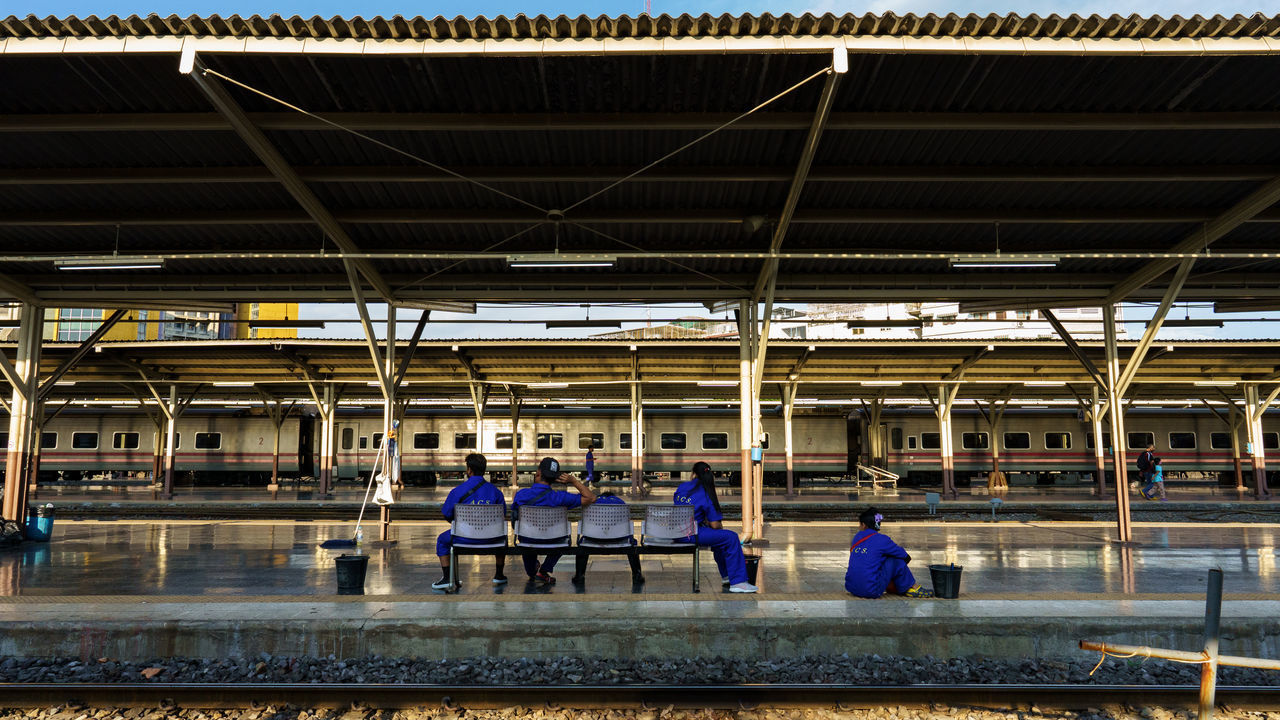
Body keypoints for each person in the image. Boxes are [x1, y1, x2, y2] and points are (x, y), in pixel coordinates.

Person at [673, 462, 757, 593]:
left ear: (693, 474)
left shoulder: (682, 487)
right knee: (731, 537)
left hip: (674, 532)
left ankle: (727, 577)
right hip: (691, 534)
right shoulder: (706, 492)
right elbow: (715, 525)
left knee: (719, 539)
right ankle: (738, 582)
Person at [513, 456, 597, 584]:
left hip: (528, 538)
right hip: (554, 539)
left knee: (526, 537)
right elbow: (591, 498)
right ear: (555, 478)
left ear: (538, 473)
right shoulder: (560, 497)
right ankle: (544, 570)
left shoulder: (521, 495)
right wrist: (574, 481)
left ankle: (532, 571)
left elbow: (515, 520)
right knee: (563, 539)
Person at [432, 453, 508, 590]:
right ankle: (499, 575)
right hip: (492, 539)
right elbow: (502, 516)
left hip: (463, 537)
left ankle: (446, 578)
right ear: (484, 470)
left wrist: (461, 527)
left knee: (442, 540)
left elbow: (447, 513)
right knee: (503, 536)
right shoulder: (496, 492)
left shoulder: (457, 491)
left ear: (469, 470)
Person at [845, 507, 932, 598]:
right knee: (895, 560)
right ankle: (912, 587)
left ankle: (902, 586)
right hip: (871, 590)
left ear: (863, 525)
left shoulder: (857, 537)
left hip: (851, 588)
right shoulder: (882, 539)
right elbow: (905, 556)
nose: (859, 527)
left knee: (877, 559)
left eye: (859, 524)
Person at [571, 492, 644, 586]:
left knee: (582, 545)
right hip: (619, 538)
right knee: (632, 543)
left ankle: (579, 576)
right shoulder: (620, 502)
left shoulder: (592, 502)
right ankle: (637, 574)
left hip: (593, 538)